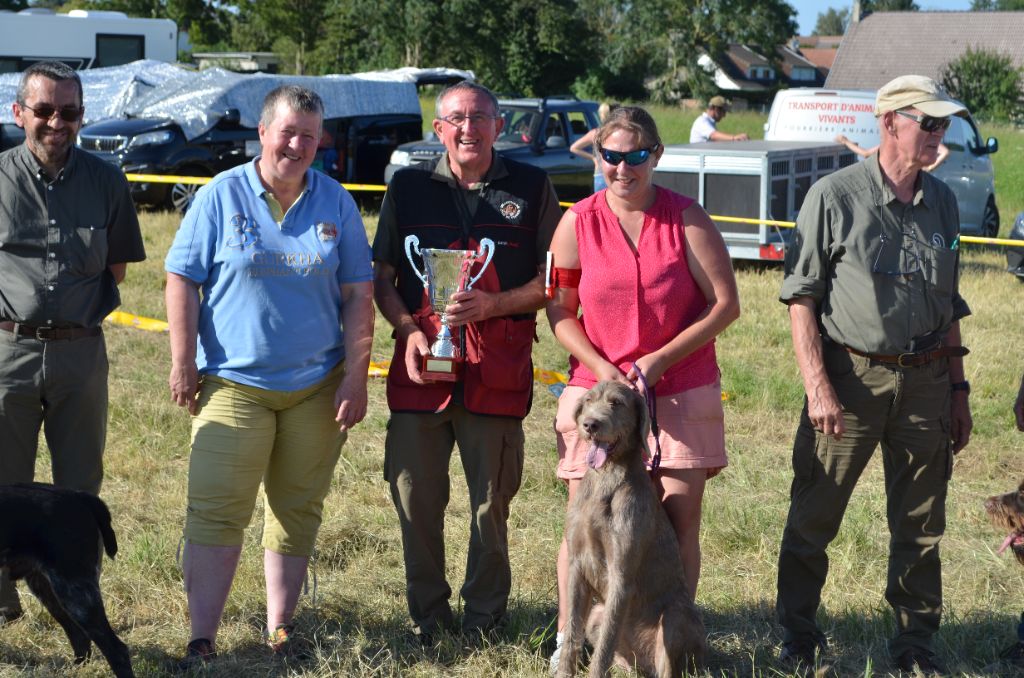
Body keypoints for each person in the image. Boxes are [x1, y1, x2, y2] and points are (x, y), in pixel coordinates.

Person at [164, 85, 374, 665]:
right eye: (288, 132)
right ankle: (201, 637)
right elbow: (182, 278)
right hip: (233, 384)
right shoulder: (220, 195)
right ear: (263, 133)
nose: (298, 145)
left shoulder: (336, 202)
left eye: (310, 136)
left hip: (317, 388)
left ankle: (281, 626)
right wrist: (183, 361)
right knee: (215, 508)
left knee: (297, 508)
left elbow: (359, 294)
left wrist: (356, 377)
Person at [775, 75, 973, 675]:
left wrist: (959, 392)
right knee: (815, 517)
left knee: (921, 524)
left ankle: (915, 646)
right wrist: (818, 387)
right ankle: (798, 637)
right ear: (890, 122)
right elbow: (802, 299)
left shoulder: (942, 199)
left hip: (929, 382)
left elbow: (951, 301)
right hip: (851, 381)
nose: (940, 136)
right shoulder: (834, 196)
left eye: (944, 125)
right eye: (929, 124)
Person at [546, 105, 740, 671]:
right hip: (598, 393)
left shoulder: (687, 218)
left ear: (656, 155)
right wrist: (600, 365)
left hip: (680, 388)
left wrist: (658, 360)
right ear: (598, 155)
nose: (622, 168)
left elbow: (726, 304)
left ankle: (664, 646)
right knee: (584, 524)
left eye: (636, 156)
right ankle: (570, 643)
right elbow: (559, 311)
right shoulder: (575, 222)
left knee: (677, 520)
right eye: (611, 156)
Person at [372, 80, 561, 644]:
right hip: (420, 373)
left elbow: (552, 281)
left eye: (479, 117)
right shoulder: (406, 187)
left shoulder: (531, 186)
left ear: (499, 126)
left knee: (491, 505)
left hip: (496, 375)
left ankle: (484, 621)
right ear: (439, 130)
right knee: (415, 499)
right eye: (455, 118)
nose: (467, 128)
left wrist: (495, 304)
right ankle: (428, 618)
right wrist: (406, 329)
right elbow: (382, 279)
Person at [0, 61, 145, 623]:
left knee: (80, 488)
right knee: (5, 483)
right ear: (19, 114)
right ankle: (5, 600)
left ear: (83, 117)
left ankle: (76, 600)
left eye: (70, 112)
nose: (57, 122)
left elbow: (118, 268)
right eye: (44, 110)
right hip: (8, 351)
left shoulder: (106, 180)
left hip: (81, 354)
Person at [569, 101, 619, 192]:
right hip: (615, 174)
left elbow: (574, 148)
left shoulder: (595, 133)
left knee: (599, 205)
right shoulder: (618, 133)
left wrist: (594, 158)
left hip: (599, 173)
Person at [834, 133, 951, 172]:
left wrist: (846, 141)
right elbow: (945, 152)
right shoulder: (923, 140)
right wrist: (930, 167)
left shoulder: (896, 141)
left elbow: (866, 154)